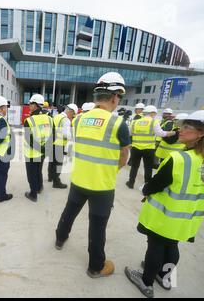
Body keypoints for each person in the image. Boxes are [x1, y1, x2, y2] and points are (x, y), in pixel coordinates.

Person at [124, 110, 204, 298]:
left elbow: (155, 185)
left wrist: (144, 190)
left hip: (165, 216)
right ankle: (164, 277)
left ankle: (146, 282)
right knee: (172, 246)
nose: (180, 129)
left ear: (201, 133)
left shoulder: (179, 159)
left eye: (186, 127)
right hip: (188, 219)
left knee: (154, 248)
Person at [55, 72, 131, 278]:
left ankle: (60, 239)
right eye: (119, 98)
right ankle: (96, 266)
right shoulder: (118, 123)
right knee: (97, 227)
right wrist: (112, 169)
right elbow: (125, 156)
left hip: (79, 180)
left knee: (69, 213)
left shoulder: (79, 119)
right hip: (102, 186)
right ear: (115, 96)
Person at [126, 105, 176, 189]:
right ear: (152, 113)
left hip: (135, 148)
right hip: (149, 149)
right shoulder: (154, 122)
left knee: (134, 166)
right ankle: (146, 185)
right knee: (148, 167)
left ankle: (131, 183)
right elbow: (161, 134)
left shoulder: (135, 122)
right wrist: (173, 133)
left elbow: (129, 133)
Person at [24, 94, 53, 202]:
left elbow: (28, 139)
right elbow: (53, 134)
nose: (29, 106)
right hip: (43, 152)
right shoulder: (49, 118)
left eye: (30, 104)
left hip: (31, 153)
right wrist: (45, 149)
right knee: (38, 171)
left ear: (35, 105)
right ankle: (39, 188)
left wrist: (41, 149)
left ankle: (33, 194)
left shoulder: (29, 120)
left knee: (31, 174)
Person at [48, 103, 77, 189]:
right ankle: (56, 182)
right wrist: (72, 136)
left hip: (52, 142)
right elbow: (65, 134)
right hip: (59, 144)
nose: (73, 116)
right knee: (58, 164)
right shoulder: (66, 120)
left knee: (52, 162)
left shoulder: (57, 116)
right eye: (73, 114)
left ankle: (50, 177)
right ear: (71, 111)